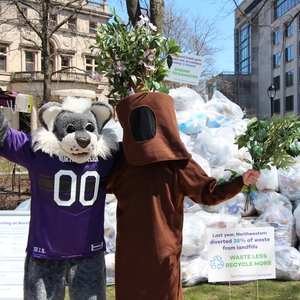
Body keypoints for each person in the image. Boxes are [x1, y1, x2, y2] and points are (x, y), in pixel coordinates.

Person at [107, 92, 260, 300]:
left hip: (144, 251)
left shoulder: (123, 163)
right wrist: (240, 181)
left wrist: (241, 181)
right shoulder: (175, 164)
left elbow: (97, 187)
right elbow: (210, 194)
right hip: (154, 249)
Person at [0, 97, 120, 300]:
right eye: (71, 128)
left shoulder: (106, 155)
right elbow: (3, 135)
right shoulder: (39, 151)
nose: (83, 137)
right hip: (45, 252)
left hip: (88, 252)